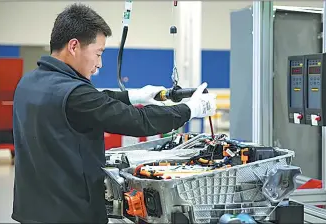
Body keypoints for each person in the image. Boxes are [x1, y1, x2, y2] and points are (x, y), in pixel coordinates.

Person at [11, 3, 216, 224]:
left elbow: (92, 101)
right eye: (98, 53)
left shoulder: (29, 82)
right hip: (71, 213)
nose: (99, 64)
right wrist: (190, 109)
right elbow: (139, 121)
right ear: (73, 46)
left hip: (32, 211)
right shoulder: (74, 94)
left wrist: (134, 96)